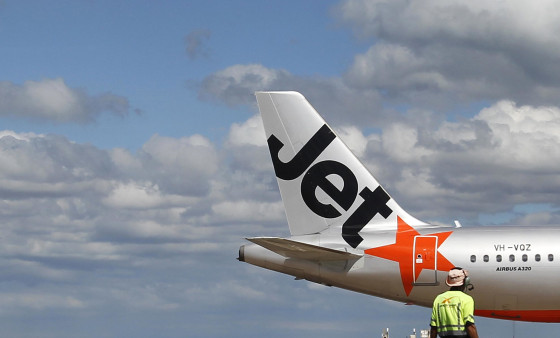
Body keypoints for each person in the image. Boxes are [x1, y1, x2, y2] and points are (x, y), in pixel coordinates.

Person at [430, 267, 479, 338]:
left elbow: (433, 328)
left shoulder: (438, 299)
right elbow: (470, 326)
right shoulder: (466, 299)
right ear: (465, 281)